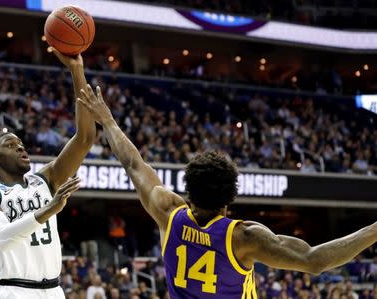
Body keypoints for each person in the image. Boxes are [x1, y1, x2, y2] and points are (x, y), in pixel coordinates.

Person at [78, 85, 377, 299]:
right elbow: (315, 260)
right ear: (230, 197)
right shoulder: (244, 237)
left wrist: (108, 121)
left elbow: (132, 163)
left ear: (189, 191)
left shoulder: (169, 213)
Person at [0, 48, 95, 299]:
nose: (20, 146)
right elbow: (1, 239)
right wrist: (48, 210)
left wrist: (77, 71)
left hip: (54, 291)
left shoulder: (45, 179)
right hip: (14, 290)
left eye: (20, 143)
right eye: (10, 145)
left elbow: (85, 138)